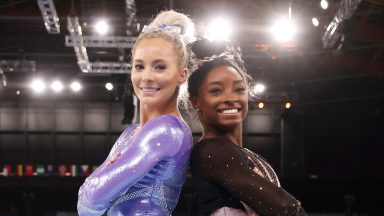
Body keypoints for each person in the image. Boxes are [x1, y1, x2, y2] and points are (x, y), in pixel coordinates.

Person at [77, 10, 195, 216]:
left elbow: (92, 200)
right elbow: (85, 211)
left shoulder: (167, 129)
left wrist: (99, 178)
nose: (146, 76)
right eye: (139, 66)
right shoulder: (130, 133)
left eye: (159, 67)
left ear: (182, 75)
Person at [187, 39, 307, 216]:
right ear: (196, 101)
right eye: (216, 91)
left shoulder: (239, 152)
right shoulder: (211, 151)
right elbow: (285, 208)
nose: (230, 98)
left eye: (238, 89)